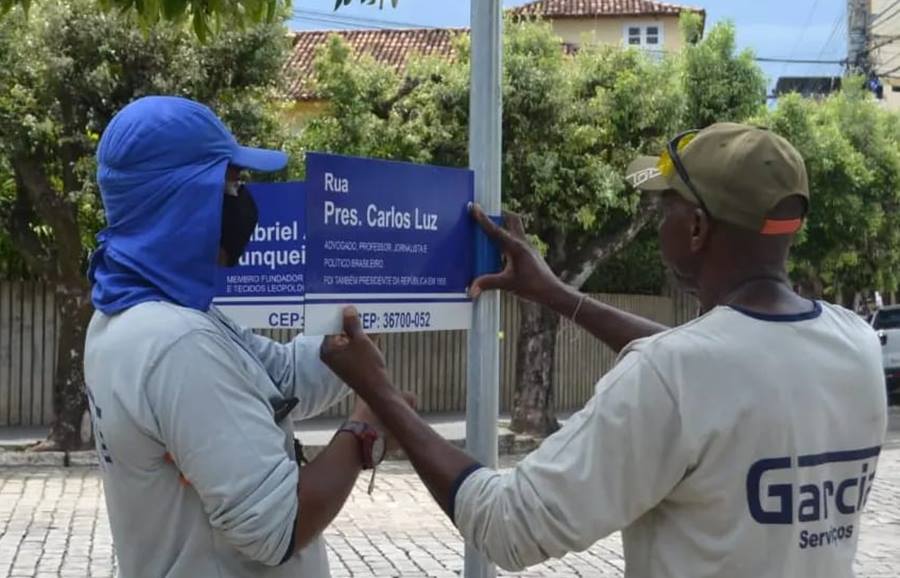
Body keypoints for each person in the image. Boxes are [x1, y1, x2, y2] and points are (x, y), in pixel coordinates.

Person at [319, 123, 889, 577]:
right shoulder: (856, 345)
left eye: (662, 207)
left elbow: (506, 526)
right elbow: (711, 365)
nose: (655, 219)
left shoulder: (674, 375)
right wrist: (555, 293)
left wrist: (381, 394)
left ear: (695, 228)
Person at [84, 96, 400, 577]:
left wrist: (354, 324)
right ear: (184, 198)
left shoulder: (136, 315)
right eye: (231, 183)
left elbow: (282, 376)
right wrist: (368, 425)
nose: (244, 199)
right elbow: (278, 528)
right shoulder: (176, 343)